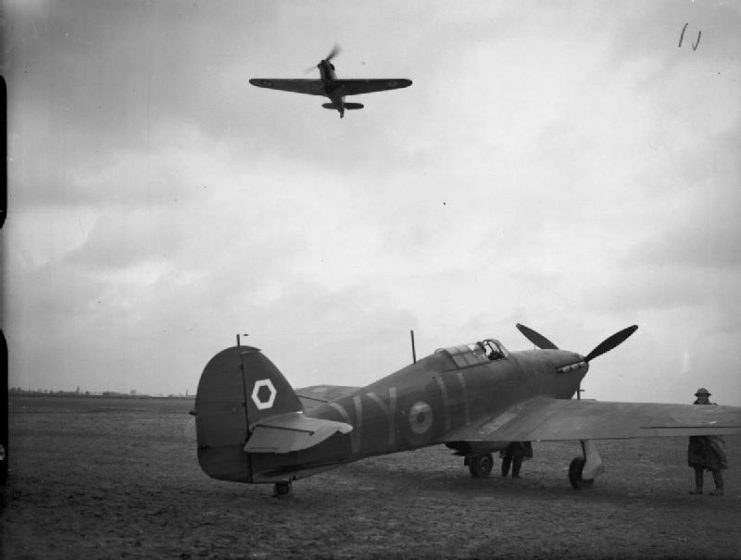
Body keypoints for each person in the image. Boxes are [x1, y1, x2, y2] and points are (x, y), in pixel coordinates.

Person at [687, 388, 727, 496]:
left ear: (707, 396)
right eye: (699, 396)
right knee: (697, 465)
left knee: (715, 465)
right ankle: (698, 489)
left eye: (703, 396)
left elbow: (717, 421)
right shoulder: (692, 409)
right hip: (697, 441)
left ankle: (719, 488)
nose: (701, 397)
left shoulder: (713, 408)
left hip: (710, 441)